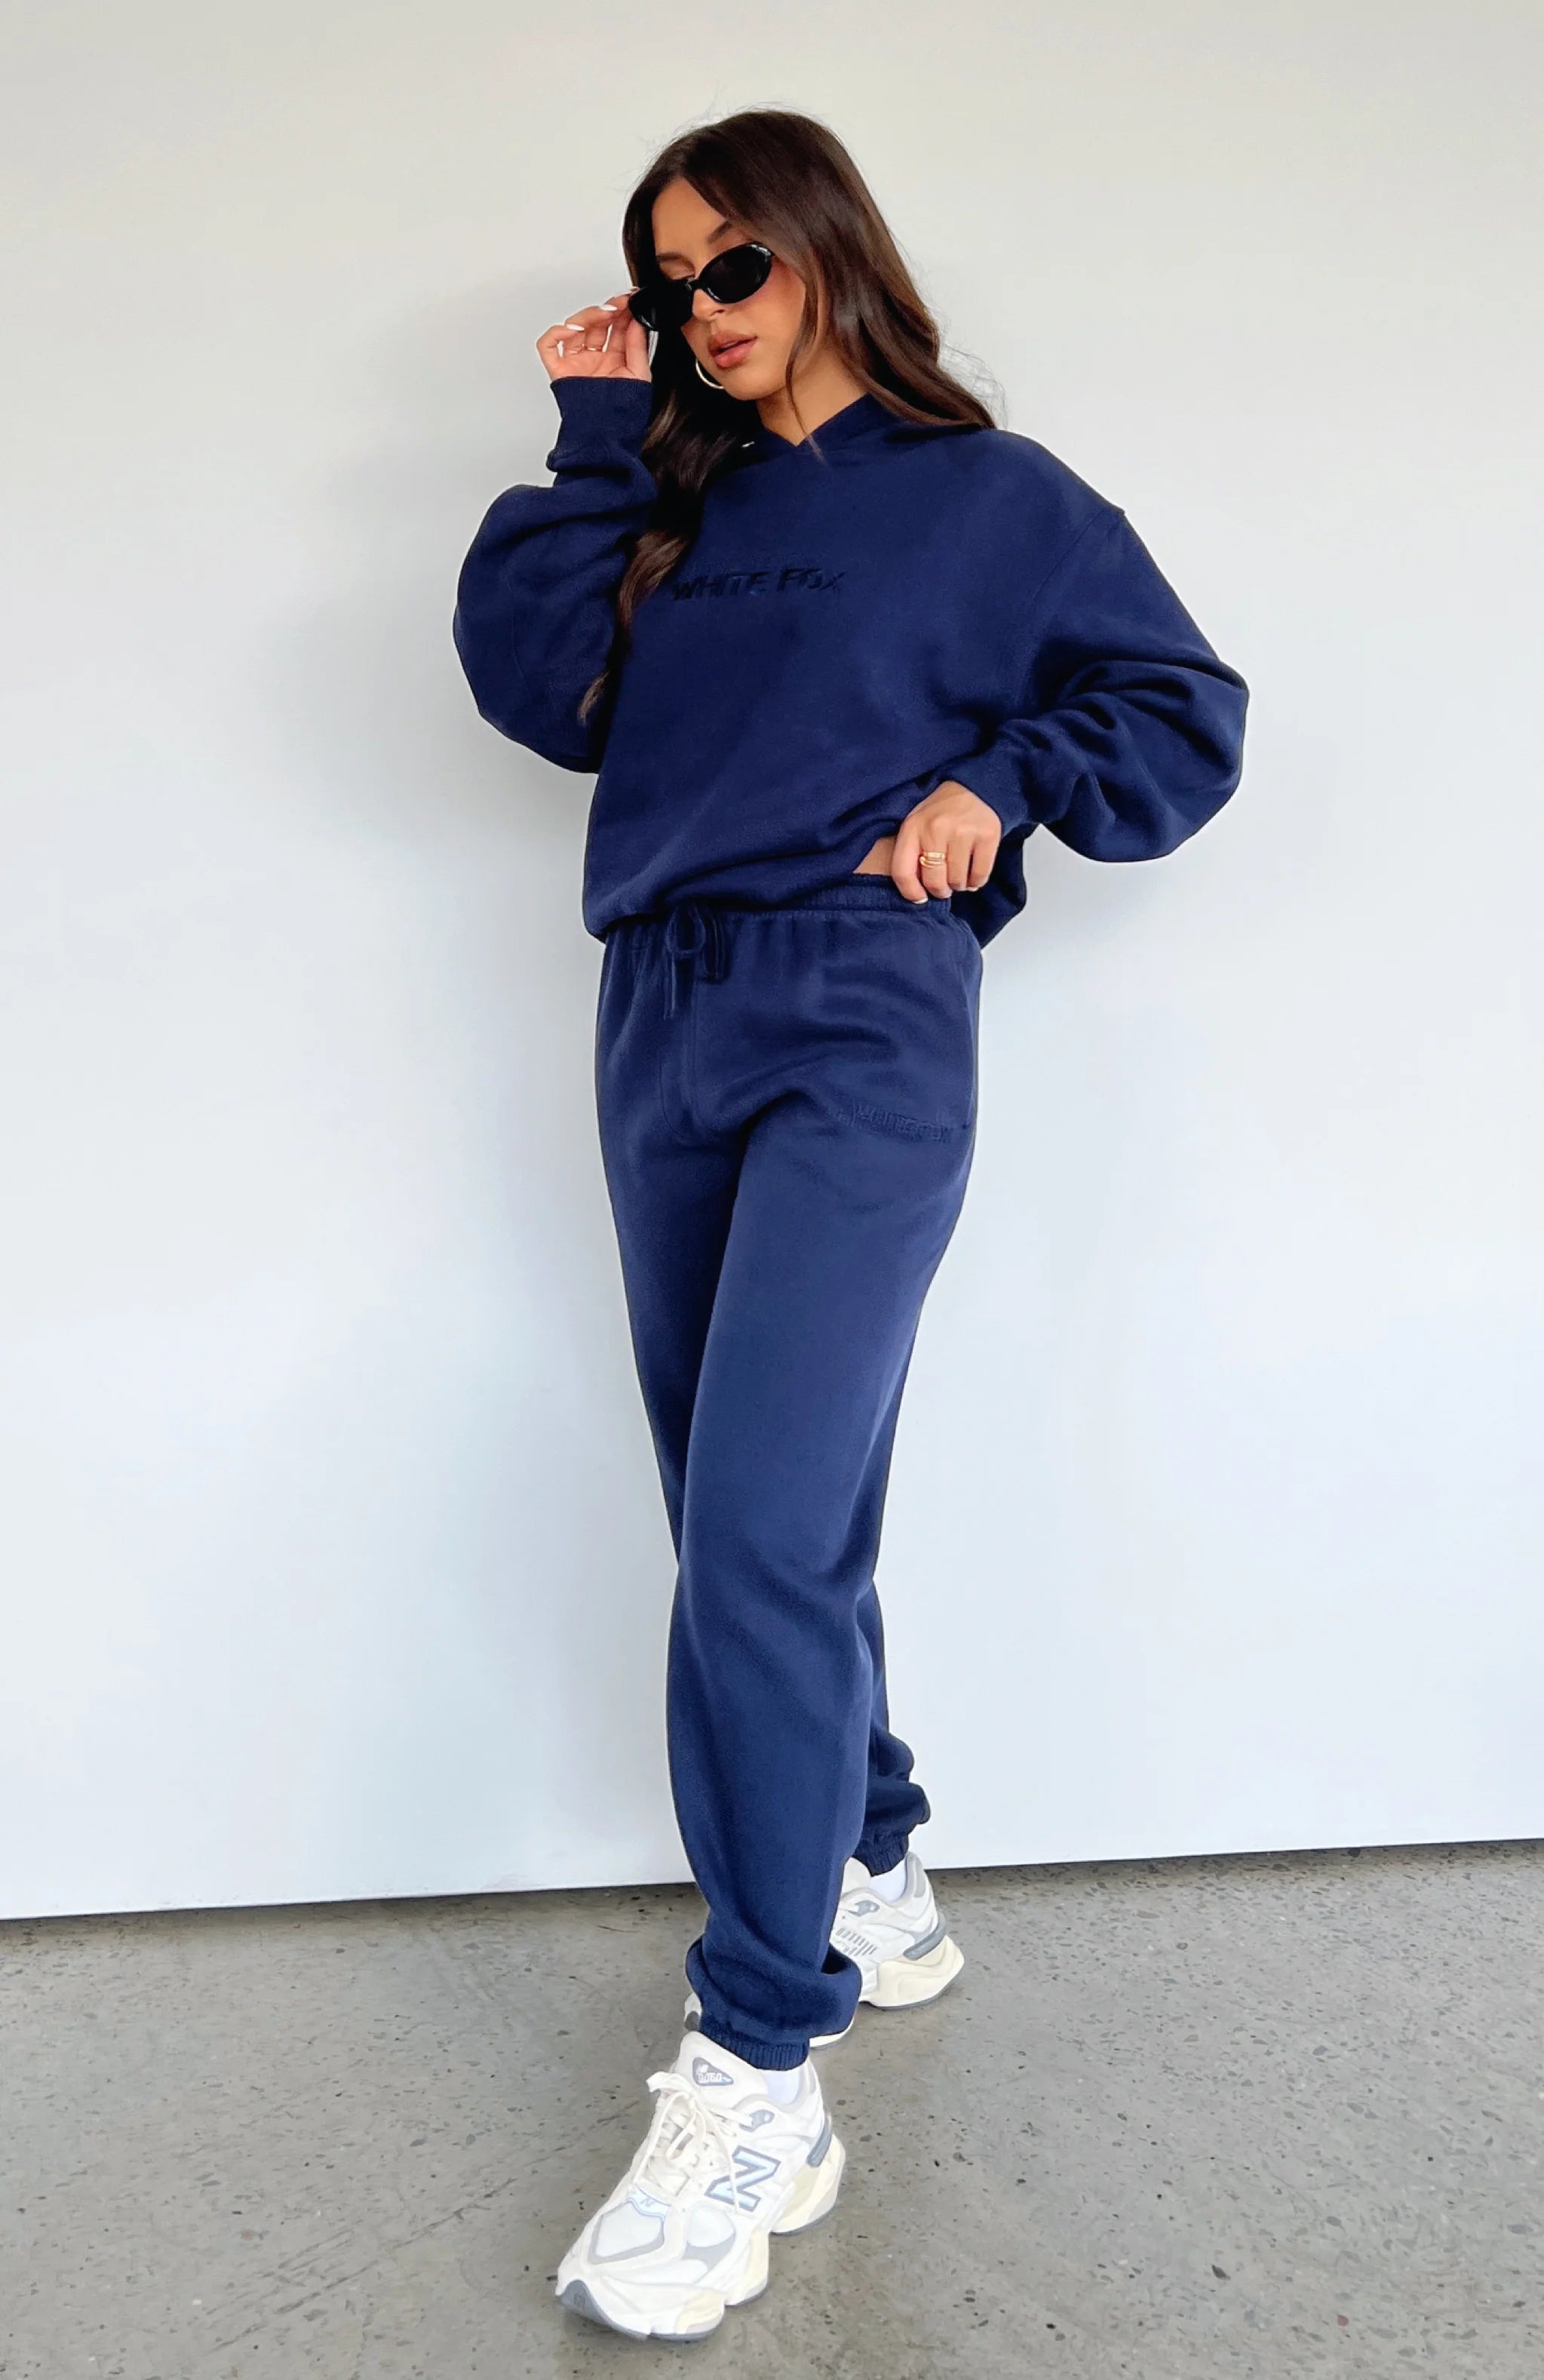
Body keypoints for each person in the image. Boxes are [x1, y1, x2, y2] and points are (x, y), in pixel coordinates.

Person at [452, 106, 1248, 2343]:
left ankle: (759, 2064)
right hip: (660, 1012)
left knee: (764, 1532)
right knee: (739, 1512)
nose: (701, 312)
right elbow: (538, 694)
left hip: (862, 1014)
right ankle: (873, 1846)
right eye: (667, 280)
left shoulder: (990, 501)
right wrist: (593, 437)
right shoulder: (666, 511)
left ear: (827, 252)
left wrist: (1004, 782)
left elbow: (1181, 708)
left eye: (735, 268)